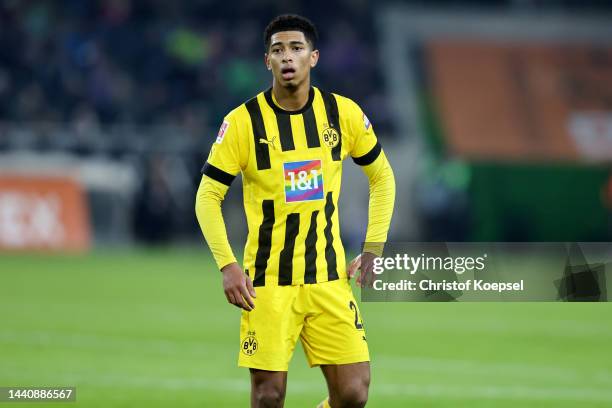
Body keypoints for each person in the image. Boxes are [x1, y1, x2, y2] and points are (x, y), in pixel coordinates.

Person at [195, 14, 395, 408]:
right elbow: (207, 195)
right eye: (277, 50)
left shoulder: (343, 114)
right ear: (266, 61)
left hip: (328, 277)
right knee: (268, 396)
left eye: (296, 48)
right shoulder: (242, 123)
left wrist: (374, 246)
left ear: (314, 57)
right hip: (268, 283)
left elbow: (382, 177)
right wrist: (227, 265)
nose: (287, 57)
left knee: (353, 392)